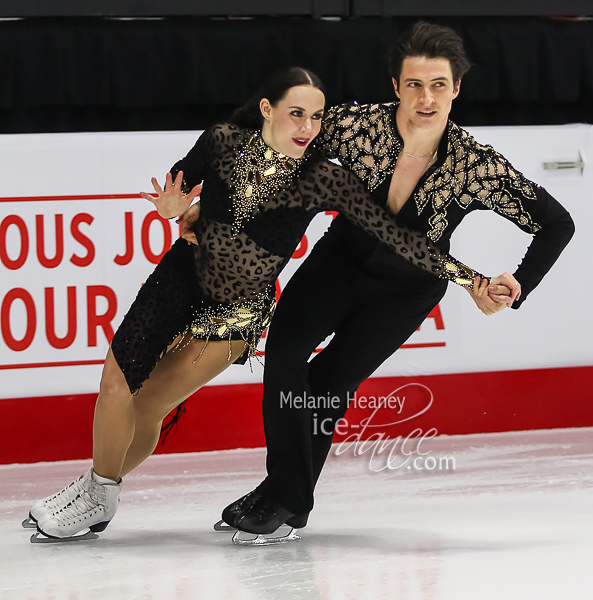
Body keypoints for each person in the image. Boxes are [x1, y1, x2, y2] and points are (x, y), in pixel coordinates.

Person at [26, 66, 489, 542]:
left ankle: (96, 494)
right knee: (113, 385)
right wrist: (175, 208)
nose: (307, 128)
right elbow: (179, 186)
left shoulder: (322, 180)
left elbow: (400, 239)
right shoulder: (223, 142)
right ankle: (98, 492)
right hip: (181, 277)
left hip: (236, 312)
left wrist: (471, 280)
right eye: (295, 114)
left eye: (315, 117)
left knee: (147, 407)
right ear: (267, 110)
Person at [225, 22, 575, 536]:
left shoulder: (475, 166)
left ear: (456, 88)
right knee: (282, 353)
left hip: (407, 289)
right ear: (395, 87)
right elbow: (273, 116)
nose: (426, 98)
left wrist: (517, 284)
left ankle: (283, 498)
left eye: (438, 85)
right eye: (414, 84)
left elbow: (557, 223)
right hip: (340, 261)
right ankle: (287, 497)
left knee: (329, 383)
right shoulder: (356, 126)